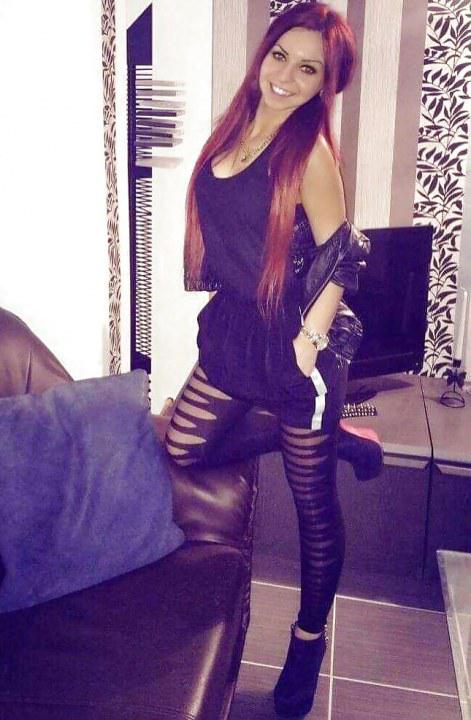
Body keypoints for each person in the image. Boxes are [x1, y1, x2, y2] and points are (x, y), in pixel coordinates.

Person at [165, 3, 373, 716]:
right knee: (184, 446)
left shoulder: (308, 152)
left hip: (296, 340)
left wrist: (308, 341)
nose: (286, 76)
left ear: (325, 84)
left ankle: (307, 641)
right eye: (280, 55)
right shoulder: (234, 128)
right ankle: (332, 436)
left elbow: (343, 255)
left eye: (308, 69)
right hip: (236, 326)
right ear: (264, 54)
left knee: (312, 505)